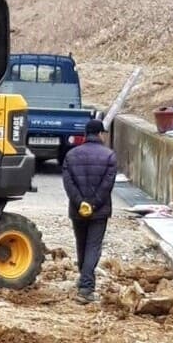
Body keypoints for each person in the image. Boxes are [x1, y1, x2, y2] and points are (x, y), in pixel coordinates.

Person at [61, 118, 118, 305]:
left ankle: (85, 280)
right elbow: (107, 185)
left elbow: (68, 184)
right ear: (100, 134)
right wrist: (93, 204)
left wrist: (80, 203)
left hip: (77, 210)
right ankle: (86, 287)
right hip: (99, 211)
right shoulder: (109, 156)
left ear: (85, 134)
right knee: (93, 246)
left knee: (81, 244)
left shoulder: (71, 155)